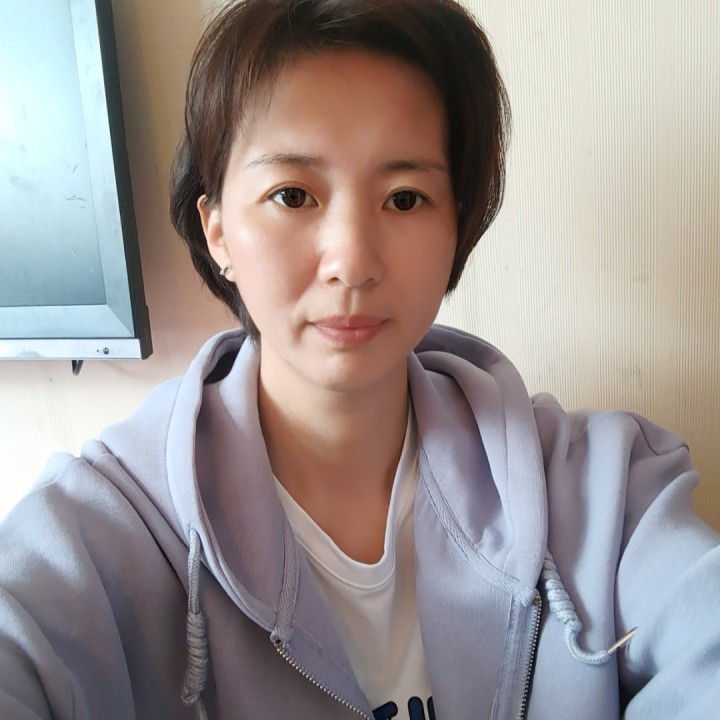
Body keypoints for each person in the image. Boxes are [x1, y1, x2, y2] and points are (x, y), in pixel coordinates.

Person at [1, 0, 718, 718]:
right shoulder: (109, 528)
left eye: (405, 199)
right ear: (216, 231)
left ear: (457, 228)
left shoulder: (602, 492)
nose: (351, 260)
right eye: (292, 195)